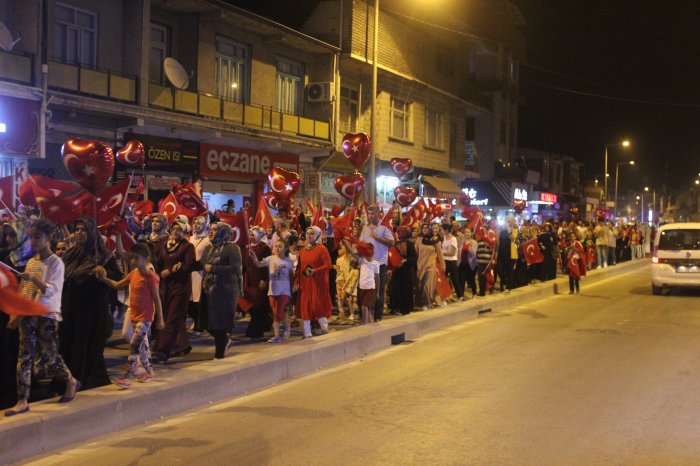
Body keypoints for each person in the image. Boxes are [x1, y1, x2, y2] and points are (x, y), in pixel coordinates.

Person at [5, 220, 79, 416]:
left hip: (47, 314)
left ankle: (70, 381)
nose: (33, 241)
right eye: (31, 237)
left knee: (50, 357)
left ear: (49, 238)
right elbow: (24, 291)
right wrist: (16, 312)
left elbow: (52, 290)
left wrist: (35, 280)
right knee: (25, 356)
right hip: (28, 314)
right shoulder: (31, 262)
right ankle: (22, 400)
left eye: (37, 237)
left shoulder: (56, 262)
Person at [60, 218, 121, 389]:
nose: (79, 233)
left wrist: (104, 273)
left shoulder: (103, 255)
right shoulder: (71, 253)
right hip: (72, 308)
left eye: (83, 230)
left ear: (92, 232)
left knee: (86, 345)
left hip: (92, 310)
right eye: (77, 229)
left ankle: (86, 380)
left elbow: (117, 277)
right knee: (70, 344)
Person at [95, 243, 164, 383]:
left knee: (133, 344)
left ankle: (128, 376)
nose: (132, 261)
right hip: (134, 315)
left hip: (145, 317)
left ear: (147, 259)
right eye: (132, 258)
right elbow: (117, 285)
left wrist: (160, 319)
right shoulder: (133, 274)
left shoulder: (151, 277)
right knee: (143, 349)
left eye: (136, 258)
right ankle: (149, 372)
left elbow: (157, 299)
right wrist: (104, 278)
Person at [199, 223, 242, 359]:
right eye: (211, 230)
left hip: (225, 290)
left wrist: (214, 269)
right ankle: (225, 341)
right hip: (208, 289)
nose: (211, 232)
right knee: (204, 321)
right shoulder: (208, 248)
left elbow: (235, 268)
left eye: (215, 230)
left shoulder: (232, 248)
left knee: (219, 323)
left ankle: (219, 355)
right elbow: (201, 264)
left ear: (224, 232)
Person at [153, 222, 195, 361]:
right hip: (166, 287)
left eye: (179, 229)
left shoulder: (188, 247)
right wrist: (158, 272)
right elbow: (158, 262)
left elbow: (190, 266)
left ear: (184, 232)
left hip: (180, 287)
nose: (175, 231)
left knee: (172, 317)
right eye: (174, 229)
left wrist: (172, 271)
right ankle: (182, 346)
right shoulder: (165, 245)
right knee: (168, 316)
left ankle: (163, 350)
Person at [249, 239, 294, 342]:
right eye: (276, 246)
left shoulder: (289, 261)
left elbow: (292, 276)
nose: (277, 248)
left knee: (279, 311)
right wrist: (254, 257)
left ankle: (287, 326)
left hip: (284, 290)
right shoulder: (270, 259)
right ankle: (276, 336)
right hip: (273, 290)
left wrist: (292, 288)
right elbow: (259, 264)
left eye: (280, 246)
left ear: (285, 248)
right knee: (275, 313)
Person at [295, 226, 333, 338]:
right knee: (305, 308)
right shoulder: (302, 252)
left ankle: (324, 329)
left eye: (312, 233)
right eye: (307, 233)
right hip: (305, 285)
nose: (309, 235)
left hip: (318, 284)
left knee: (317, 307)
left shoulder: (322, 249)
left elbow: (328, 265)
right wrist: (296, 282)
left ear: (317, 235)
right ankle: (307, 334)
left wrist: (315, 271)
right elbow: (299, 269)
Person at [359, 205, 394, 321]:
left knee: (379, 291)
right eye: (369, 214)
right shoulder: (365, 229)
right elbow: (361, 244)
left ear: (378, 214)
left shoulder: (384, 228)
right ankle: (366, 315)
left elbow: (391, 242)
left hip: (380, 264)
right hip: (367, 264)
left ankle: (377, 315)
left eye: (373, 213)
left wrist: (377, 237)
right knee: (366, 289)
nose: (370, 216)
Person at [345, 241, 379, 324]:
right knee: (367, 307)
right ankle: (369, 323)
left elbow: (377, 278)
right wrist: (345, 243)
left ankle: (364, 323)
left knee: (364, 307)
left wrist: (377, 291)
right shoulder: (362, 261)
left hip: (370, 288)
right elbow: (352, 252)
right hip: (361, 287)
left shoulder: (375, 264)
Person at [188, 216, 210, 333]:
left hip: (200, 273)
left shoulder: (207, 240)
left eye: (198, 224)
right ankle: (196, 320)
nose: (195, 225)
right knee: (190, 300)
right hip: (191, 272)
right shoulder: (190, 238)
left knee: (199, 299)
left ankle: (201, 323)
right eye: (194, 223)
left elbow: (207, 257)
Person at [389, 226, 417, 315]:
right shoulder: (395, 243)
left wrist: (405, 260)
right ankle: (396, 308)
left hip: (406, 271)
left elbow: (414, 258)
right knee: (395, 289)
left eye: (398, 232)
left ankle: (404, 309)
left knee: (405, 290)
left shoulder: (409, 244)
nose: (396, 234)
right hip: (397, 270)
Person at [415, 223, 442, 310]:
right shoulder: (419, 239)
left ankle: (427, 303)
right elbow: (416, 252)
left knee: (427, 285)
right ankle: (422, 303)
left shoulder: (435, 239)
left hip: (431, 265)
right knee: (421, 285)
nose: (425, 229)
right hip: (420, 265)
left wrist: (443, 266)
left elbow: (440, 254)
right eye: (424, 228)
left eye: (427, 228)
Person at [441, 223, 463, 301]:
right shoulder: (443, 238)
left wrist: (441, 253)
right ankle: (446, 296)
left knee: (454, 279)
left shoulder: (453, 239)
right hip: (444, 261)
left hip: (452, 261)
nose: (441, 231)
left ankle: (460, 296)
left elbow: (452, 253)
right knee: (443, 280)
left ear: (446, 230)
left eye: (442, 230)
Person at [459, 226, 478, 298]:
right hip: (463, 264)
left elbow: (474, 254)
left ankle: (474, 294)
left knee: (471, 280)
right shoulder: (462, 242)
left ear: (471, 233)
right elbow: (459, 252)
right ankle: (461, 296)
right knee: (462, 280)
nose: (466, 234)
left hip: (471, 264)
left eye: (468, 232)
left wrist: (469, 249)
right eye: (465, 232)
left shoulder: (474, 242)